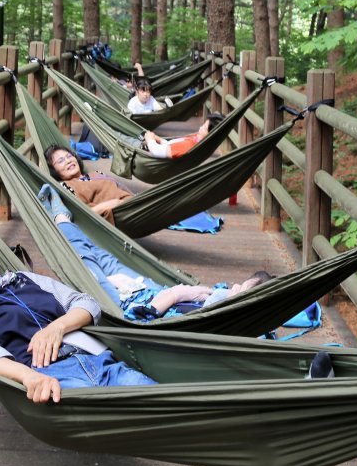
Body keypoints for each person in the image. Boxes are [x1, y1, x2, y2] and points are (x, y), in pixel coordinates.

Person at [0, 221, 157, 402]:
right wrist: (29, 377)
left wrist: (57, 328)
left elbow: (87, 303)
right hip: (50, 378)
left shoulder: (26, 278)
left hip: (101, 361)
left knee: (167, 405)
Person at [37, 184, 270, 319]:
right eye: (243, 284)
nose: (236, 286)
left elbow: (145, 318)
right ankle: (68, 223)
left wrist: (178, 294)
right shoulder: (221, 297)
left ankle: (61, 219)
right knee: (104, 257)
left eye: (243, 288)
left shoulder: (222, 313)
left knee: (86, 262)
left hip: (124, 306)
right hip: (148, 289)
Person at [46, 145, 135, 220]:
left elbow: (120, 187)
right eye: (61, 161)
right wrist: (108, 205)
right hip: (119, 213)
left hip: (134, 204)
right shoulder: (66, 186)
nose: (68, 161)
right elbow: (81, 217)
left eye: (69, 156)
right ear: (54, 170)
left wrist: (136, 198)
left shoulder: (96, 173)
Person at [142, 112, 219, 159]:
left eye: (204, 128)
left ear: (210, 134)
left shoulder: (189, 145)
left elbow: (157, 151)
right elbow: (172, 148)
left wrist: (150, 139)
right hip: (163, 146)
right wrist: (158, 139)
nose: (200, 128)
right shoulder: (197, 143)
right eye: (203, 125)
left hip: (153, 153)